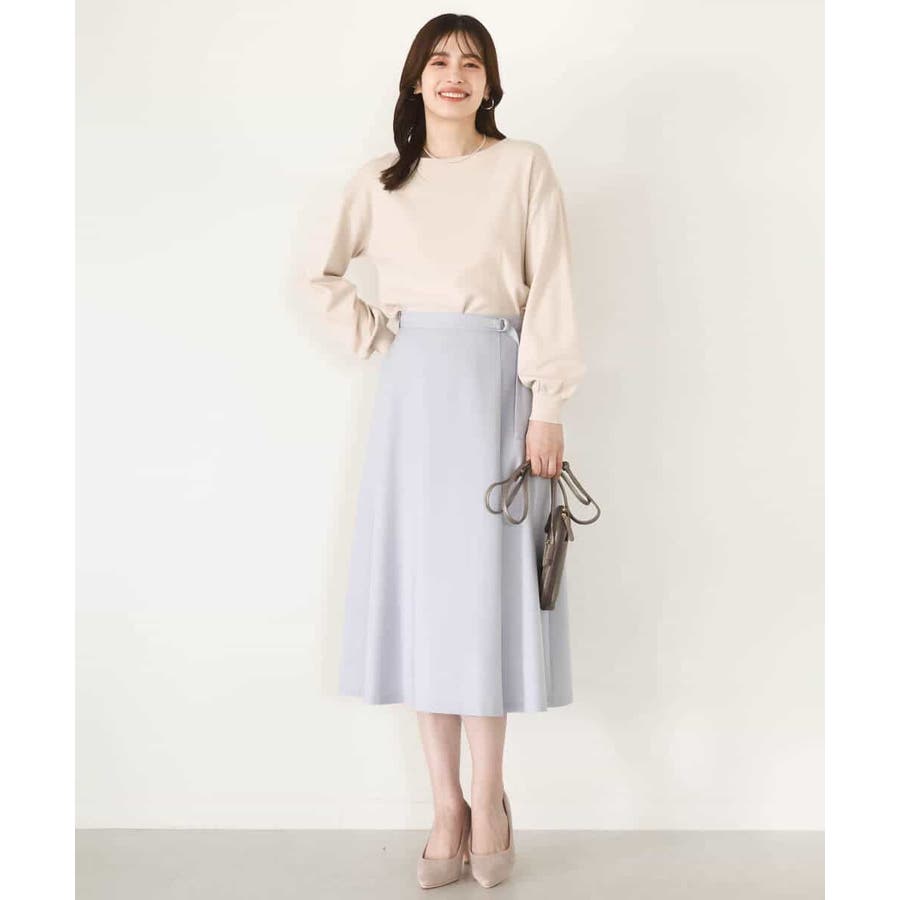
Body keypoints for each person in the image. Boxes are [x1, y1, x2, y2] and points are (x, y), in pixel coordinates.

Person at [302, 13, 587, 890]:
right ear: (415, 79)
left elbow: (553, 290)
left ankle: (490, 798)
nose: (453, 74)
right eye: (438, 61)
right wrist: (382, 337)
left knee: (484, 600)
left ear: (490, 82)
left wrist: (547, 406)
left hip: (499, 393)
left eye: (470, 62)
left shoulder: (523, 166)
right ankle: (445, 807)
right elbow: (319, 275)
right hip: (414, 401)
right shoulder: (381, 182)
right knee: (428, 599)